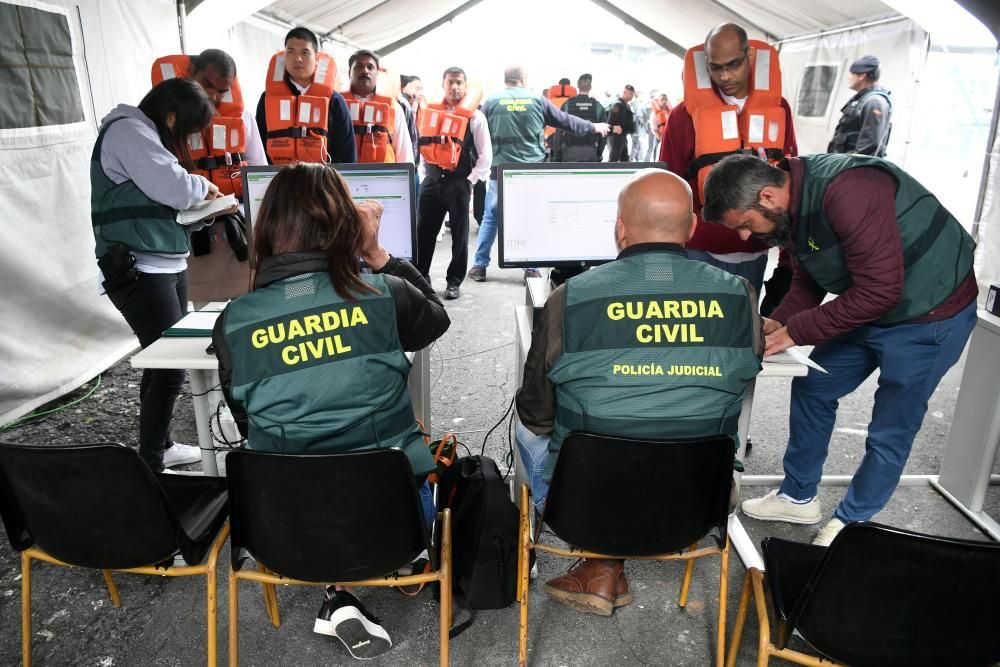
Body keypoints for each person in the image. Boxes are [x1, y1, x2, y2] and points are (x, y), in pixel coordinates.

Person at [212, 163, 450, 660]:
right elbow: (434, 318)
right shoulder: (383, 295)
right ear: (345, 224)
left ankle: (335, 592)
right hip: (396, 526)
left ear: (268, 229)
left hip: (283, 531)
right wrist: (376, 254)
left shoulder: (234, 322)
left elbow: (245, 420)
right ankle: (360, 581)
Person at [515, 169, 763, 614]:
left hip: (584, 503)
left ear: (620, 228)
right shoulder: (740, 295)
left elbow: (536, 412)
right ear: (690, 228)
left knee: (528, 430)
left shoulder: (570, 297)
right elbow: (743, 377)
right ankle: (604, 565)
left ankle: (602, 562)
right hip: (696, 505)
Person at [701, 153, 978, 546]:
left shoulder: (849, 189)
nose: (745, 237)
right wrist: (777, 321)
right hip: (870, 304)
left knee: (890, 428)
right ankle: (798, 497)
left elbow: (881, 290)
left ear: (766, 196)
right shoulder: (792, 208)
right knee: (816, 387)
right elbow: (808, 279)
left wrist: (796, 331)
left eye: (745, 225)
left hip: (930, 312)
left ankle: (854, 522)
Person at [92, 78, 232, 472]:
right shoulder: (128, 131)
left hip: (164, 264)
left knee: (161, 363)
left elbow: (162, 196)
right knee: (170, 368)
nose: (185, 141)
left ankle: (159, 447)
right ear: (171, 116)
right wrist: (204, 187)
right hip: (141, 270)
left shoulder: (140, 133)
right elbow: (173, 187)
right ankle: (151, 463)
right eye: (187, 130)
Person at [660, 23, 798, 296]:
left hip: (755, 251)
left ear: (749, 57)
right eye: (715, 67)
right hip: (699, 250)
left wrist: (788, 262)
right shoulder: (682, 115)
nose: (724, 76)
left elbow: (790, 181)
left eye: (733, 64)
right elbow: (669, 186)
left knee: (743, 329)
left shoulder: (779, 108)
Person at [466, 65, 610, 283]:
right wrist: (593, 126)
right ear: (523, 79)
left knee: (491, 217)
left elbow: (476, 135)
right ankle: (531, 268)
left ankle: (479, 266)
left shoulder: (492, 102)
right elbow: (566, 121)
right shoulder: (536, 100)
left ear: (506, 80)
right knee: (531, 218)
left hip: (499, 169)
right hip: (530, 171)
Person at [151, 48, 266, 302]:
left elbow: (258, 171)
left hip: (238, 227)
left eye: (221, 92)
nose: (211, 96)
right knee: (200, 306)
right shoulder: (165, 120)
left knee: (247, 301)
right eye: (206, 84)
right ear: (190, 72)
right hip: (191, 230)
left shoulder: (243, 118)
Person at [414, 67, 492, 300]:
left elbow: (485, 155)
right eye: (450, 82)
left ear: (465, 86)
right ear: (443, 85)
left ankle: (454, 281)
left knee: (460, 236)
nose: (455, 87)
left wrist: (470, 181)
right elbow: (422, 148)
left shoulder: (475, 117)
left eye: (459, 83)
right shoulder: (430, 114)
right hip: (432, 180)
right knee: (423, 232)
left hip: (459, 182)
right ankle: (421, 277)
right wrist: (424, 173)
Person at [256, 27, 356, 164]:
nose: (298, 59)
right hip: (280, 181)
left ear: (317, 59)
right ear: (284, 56)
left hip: (322, 182)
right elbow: (258, 149)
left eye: (305, 53)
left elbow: (347, 155)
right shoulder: (267, 99)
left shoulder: (335, 101)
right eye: (291, 52)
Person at [343, 49, 414, 163]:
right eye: (359, 66)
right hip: (343, 177)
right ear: (349, 73)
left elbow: (403, 150)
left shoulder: (393, 107)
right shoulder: (337, 104)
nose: (365, 71)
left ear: (377, 74)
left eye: (370, 67)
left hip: (382, 177)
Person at [828, 55, 893, 157]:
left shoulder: (874, 102)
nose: (849, 77)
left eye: (851, 74)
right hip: (845, 165)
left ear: (861, 76)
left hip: (855, 168)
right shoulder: (863, 99)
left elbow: (869, 146)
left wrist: (852, 169)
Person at [552, 73, 606, 163]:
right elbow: (604, 133)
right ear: (590, 87)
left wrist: (557, 155)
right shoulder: (597, 107)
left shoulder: (567, 105)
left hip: (569, 152)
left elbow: (558, 132)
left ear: (577, 86)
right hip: (590, 152)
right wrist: (599, 153)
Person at [606, 84, 635, 162]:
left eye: (633, 94)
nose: (632, 96)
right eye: (630, 93)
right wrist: (613, 130)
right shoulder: (618, 104)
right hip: (615, 137)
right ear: (625, 92)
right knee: (613, 160)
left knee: (624, 160)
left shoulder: (626, 105)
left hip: (622, 136)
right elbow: (610, 121)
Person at [398, 74, 421, 166]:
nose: (420, 93)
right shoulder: (402, 104)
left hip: (412, 164)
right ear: (403, 88)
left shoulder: (415, 108)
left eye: (421, 89)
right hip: (407, 165)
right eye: (417, 88)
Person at [648, 93, 672, 160]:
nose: (664, 101)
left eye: (665, 99)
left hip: (669, 138)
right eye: (662, 99)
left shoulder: (671, 112)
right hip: (659, 138)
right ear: (659, 101)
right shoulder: (654, 114)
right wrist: (661, 139)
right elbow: (654, 129)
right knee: (658, 156)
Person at [629, 92, 651, 162]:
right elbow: (639, 119)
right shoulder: (639, 105)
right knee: (636, 146)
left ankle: (635, 160)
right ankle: (632, 161)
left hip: (635, 130)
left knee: (637, 146)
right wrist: (647, 129)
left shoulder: (632, 104)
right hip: (638, 130)